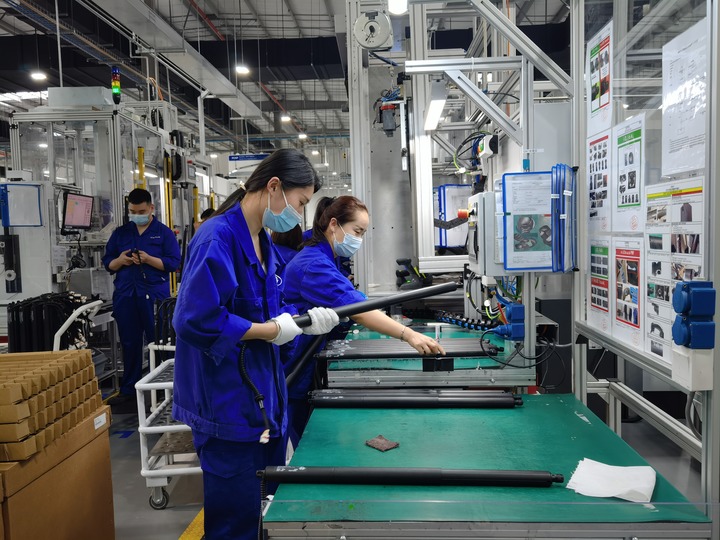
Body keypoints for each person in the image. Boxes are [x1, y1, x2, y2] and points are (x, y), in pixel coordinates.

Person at [171, 148, 339, 540]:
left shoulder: (262, 241)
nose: (300, 214)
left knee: (264, 510)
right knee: (235, 524)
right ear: (274, 187)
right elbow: (194, 318)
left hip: (264, 406)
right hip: (227, 410)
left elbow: (269, 308)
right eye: (301, 202)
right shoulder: (217, 238)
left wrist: (302, 321)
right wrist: (269, 330)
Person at [282, 195, 446, 447]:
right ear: (333, 224)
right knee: (309, 442)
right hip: (295, 364)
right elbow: (359, 310)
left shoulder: (325, 253)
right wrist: (409, 335)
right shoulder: (313, 264)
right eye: (357, 231)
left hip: (306, 359)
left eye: (363, 233)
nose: (358, 239)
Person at [102, 188, 181, 404]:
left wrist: (148, 259)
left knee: (160, 343)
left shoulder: (163, 233)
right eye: (132, 211)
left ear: (151, 208)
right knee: (130, 343)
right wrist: (120, 260)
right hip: (126, 295)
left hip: (154, 296)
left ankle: (166, 391)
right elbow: (108, 263)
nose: (136, 215)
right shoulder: (121, 233)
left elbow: (173, 263)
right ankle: (129, 391)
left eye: (141, 211)